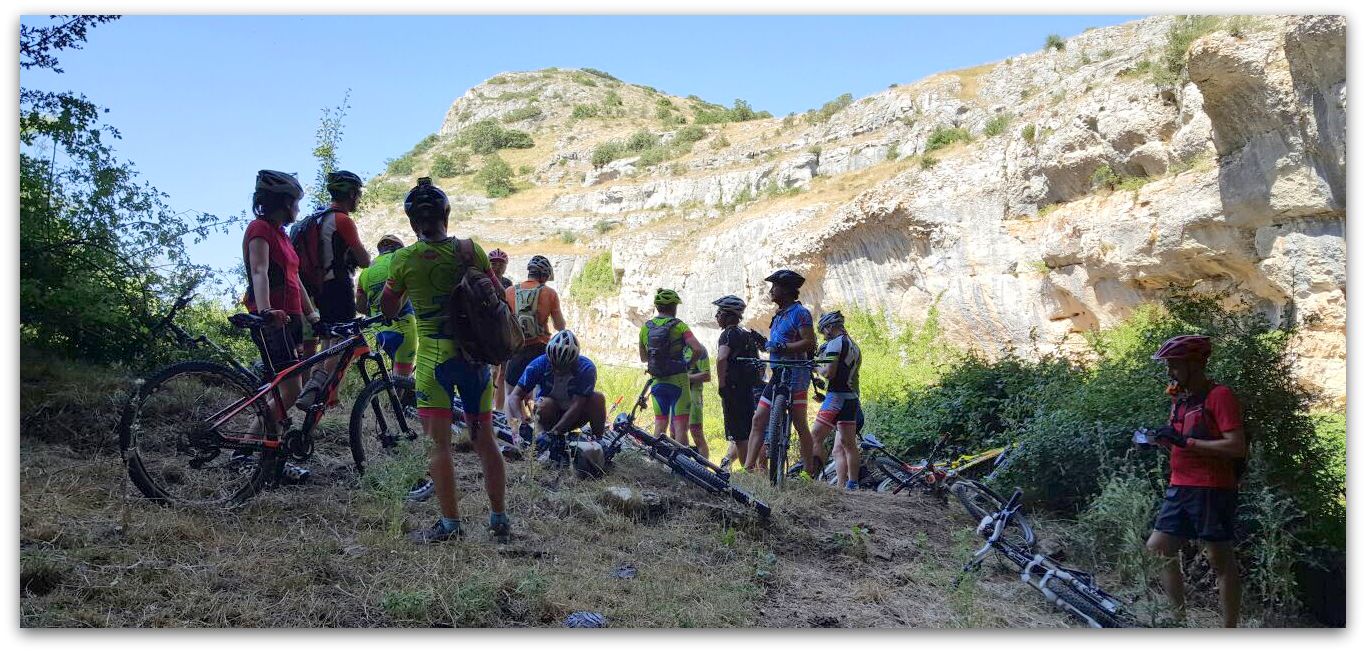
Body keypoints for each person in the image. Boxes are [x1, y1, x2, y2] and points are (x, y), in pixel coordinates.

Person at [380, 177, 510, 544]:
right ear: (446, 215)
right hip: (475, 360)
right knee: (485, 440)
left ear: (412, 222)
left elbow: (388, 307)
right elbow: (499, 296)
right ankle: (499, 519)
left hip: (433, 361)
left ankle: (451, 525)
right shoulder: (471, 250)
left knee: (438, 445)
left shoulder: (403, 259)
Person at [1143, 335, 1247, 628]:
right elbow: (1181, 441)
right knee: (1159, 548)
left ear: (1195, 364)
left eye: (1174, 365)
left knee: (1220, 560)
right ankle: (1178, 624)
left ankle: (1229, 631)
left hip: (1212, 488)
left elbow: (1236, 446)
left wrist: (1186, 442)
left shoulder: (1220, 396)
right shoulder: (1180, 399)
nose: (1169, 372)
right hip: (1180, 486)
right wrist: (1162, 440)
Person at [241, 170, 317, 481]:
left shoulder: (282, 235)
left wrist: (312, 315)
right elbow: (259, 271)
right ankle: (246, 453)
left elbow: (295, 278)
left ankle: (260, 453)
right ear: (283, 202)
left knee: (285, 389)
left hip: (292, 317)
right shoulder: (260, 229)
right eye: (295, 202)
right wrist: (266, 311)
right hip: (275, 319)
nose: (298, 208)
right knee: (289, 391)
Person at [294, 170, 372, 409]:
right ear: (350, 194)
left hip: (319, 288)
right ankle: (317, 386)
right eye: (357, 194)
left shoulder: (317, 218)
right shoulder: (342, 220)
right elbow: (364, 260)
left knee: (328, 340)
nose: (358, 199)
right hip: (339, 286)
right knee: (342, 339)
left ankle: (320, 394)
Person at [745, 270, 817, 476]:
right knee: (758, 419)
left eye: (774, 287)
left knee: (799, 423)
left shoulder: (800, 313)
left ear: (785, 290)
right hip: (777, 373)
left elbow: (809, 342)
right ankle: (748, 468)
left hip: (796, 374)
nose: (771, 291)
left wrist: (780, 346)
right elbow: (776, 345)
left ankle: (808, 473)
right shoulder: (778, 315)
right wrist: (766, 345)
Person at [506, 330, 607, 449]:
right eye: (555, 365)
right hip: (548, 414)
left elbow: (577, 406)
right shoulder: (538, 364)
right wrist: (522, 423)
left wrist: (555, 433)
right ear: (548, 358)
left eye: (564, 367)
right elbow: (514, 396)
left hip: (574, 416)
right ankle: (543, 436)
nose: (558, 370)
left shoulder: (587, 369)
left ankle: (598, 440)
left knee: (598, 398)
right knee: (546, 404)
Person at [638, 288, 707, 443]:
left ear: (657, 307)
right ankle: (681, 464)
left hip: (657, 381)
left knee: (660, 424)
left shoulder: (645, 328)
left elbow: (643, 358)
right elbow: (697, 348)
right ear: (674, 307)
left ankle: (655, 461)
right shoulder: (679, 326)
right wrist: (689, 364)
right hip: (679, 381)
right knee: (680, 427)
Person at [504, 255, 566, 419]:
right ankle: (539, 428)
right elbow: (560, 326)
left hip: (517, 350)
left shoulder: (509, 292)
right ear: (544, 276)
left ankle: (514, 432)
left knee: (511, 393)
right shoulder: (550, 293)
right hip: (540, 350)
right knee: (540, 394)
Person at [712, 295, 765, 470]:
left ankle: (748, 471)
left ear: (728, 315)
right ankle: (758, 469)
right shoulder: (746, 335)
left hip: (733, 389)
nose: (716, 316)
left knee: (740, 435)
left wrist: (721, 384)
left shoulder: (727, 334)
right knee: (750, 431)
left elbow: (721, 359)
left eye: (719, 313)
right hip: (748, 389)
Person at [811, 310, 862, 490]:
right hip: (851, 399)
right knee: (849, 445)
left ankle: (809, 477)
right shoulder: (854, 345)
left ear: (830, 327)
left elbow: (829, 372)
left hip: (836, 397)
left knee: (815, 437)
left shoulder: (834, 344)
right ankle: (852, 484)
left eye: (824, 331)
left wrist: (816, 366)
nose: (824, 335)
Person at [355, 234, 417, 378]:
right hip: (403, 326)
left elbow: (360, 306)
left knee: (396, 377)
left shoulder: (365, 271)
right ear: (398, 248)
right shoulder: (401, 261)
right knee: (401, 379)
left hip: (379, 331)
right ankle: (397, 400)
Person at [489, 249, 513, 411]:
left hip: (503, 330)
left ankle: (498, 409)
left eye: (501, 264)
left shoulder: (508, 284)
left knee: (502, 371)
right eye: (494, 263)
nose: (497, 267)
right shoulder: (483, 281)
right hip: (486, 331)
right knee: (490, 371)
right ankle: (487, 405)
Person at [683, 345, 712, 458]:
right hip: (675, 395)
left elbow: (707, 375)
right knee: (674, 433)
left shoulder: (699, 348)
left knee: (696, 433)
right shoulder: (672, 346)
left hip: (693, 397)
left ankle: (703, 469)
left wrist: (685, 378)